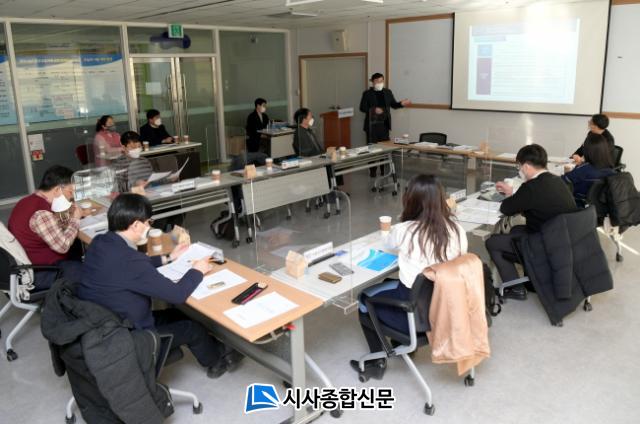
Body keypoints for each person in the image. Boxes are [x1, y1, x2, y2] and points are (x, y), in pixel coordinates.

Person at [77, 193, 242, 378]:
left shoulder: (101, 242)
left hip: (107, 323)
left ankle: (215, 348)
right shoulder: (131, 260)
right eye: (148, 222)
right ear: (136, 225)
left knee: (177, 315)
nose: (149, 226)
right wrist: (197, 270)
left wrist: (169, 257)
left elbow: (133, 266)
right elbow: (177, 294)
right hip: (130, 335)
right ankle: (217, 362)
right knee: (191, 328)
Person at [350, 174, 467, 379]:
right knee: (390, 283)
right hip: (447, 309)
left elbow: (387, 244)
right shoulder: (457, 230)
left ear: (410, 200)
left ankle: (377, 362)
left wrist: (386, 230)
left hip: (414, 317)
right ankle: (402, 344)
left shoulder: (405, 230)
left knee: (363, 297)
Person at [486, 144, 576, 300]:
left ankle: (515, 288)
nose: (519, 170)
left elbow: (506, 208)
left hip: (544, 243)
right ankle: (533, 276)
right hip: (562, 240)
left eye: (519, 167)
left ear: (526, 167)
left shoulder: (531, 187)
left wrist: (510, 196)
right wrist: (512, 193)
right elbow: (535, 202)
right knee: (516, 230)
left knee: (493, 242)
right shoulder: (556, 180)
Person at [8, 165, 83, 289]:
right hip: (39, 272)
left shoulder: (26, 201)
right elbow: (63, 246)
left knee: (77, 246)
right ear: (58, 189)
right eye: (70, 192)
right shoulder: (41, 214)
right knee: (88, 271)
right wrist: (75, 220)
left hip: (26, 262)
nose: (72, 197)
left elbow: (47, 227)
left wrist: (67, 217)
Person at [359, 72, 410, 177]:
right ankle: (373, 170)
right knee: (372, 149)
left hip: (384, 124)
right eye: (377, 81)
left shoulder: (387, 92)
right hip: (372, 125)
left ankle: (384, 170)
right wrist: (373, 109)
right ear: (372, 82)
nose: (380, 83)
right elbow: (362, 108)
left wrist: (401, 104)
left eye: (381, 81)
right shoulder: (367, 93)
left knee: (384, 148)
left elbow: (394, 105)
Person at [563, 134, 615, 207]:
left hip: (577, 203)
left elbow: (563, 181)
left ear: (588, 151)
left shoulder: (583, 169)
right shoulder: (611, 170)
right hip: (600, 206)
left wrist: (574, 168)